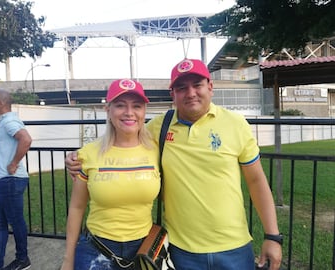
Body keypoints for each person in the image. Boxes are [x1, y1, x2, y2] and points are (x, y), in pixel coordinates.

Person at [66, 59, 283, 270]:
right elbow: (125, 138)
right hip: (180, 250)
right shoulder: (158, 128)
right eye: (181, 87)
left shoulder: (236, 124)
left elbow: (256, 180)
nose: (190, 93)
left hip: (234, 247)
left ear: (210, 86)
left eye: (197, 85)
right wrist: (76, 158)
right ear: (173, 94)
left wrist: (272, 235)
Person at [60, 79, 160, 270]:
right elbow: (76, 208)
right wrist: (68, 259)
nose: (129, 112)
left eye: (136, 106)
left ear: (144, 111)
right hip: (96, 249)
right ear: (108, 110)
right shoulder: (88, 154)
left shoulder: (157, 150)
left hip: (142, 251)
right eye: (120, 105)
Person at [0, 90, 32, 270]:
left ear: (1, 103)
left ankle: (22, 259)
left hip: (9, 180)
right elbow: (11, 142)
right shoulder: (5, 121)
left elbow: (25, 139)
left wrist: (13, 163)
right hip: (1, 180)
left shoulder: (9, 121)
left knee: (16, 221)